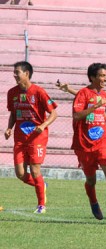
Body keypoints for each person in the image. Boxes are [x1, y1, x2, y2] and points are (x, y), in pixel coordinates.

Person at [71, 63, 106, 224]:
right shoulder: (83, 94)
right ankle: (94, 202)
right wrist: (95, 105)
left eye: (105, 75)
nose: (104, 79)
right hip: (84, 144)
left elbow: (101, 116)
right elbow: (77, 116)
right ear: (92, 77)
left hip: (103, 142)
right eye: (102, 76)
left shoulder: (103, 94)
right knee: (91, 180)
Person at [5, 61, 58, 214]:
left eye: (17, 72)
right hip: (20, 138)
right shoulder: (12, 93)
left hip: (37, 138)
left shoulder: (39, 92)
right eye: (14, 72)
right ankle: (42, 185)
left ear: (26, 74)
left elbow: (54, 113)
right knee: (20, 174)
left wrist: (43, 125)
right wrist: (9, 128)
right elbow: (14, 114)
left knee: (35, 171)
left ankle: (41, 205)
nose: (14, 75)